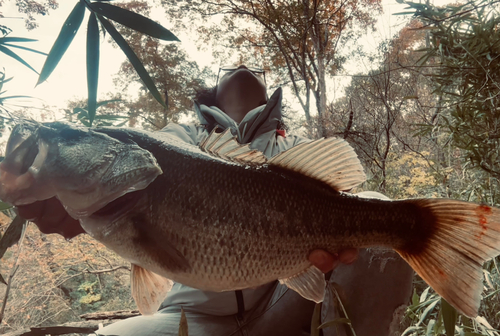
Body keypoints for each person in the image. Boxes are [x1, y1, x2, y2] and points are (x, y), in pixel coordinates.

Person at [17, 65, 413, 335]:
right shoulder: (170, 144)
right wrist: (42, 197)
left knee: (375, 208)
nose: (242, 68)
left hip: (282, 304)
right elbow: (96, 193)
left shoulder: (294, 150)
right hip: (190, 318)